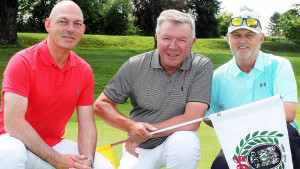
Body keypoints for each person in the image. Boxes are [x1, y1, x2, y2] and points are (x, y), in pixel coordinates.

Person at [93, 9, 213, 169]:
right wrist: (131, 127)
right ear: (157, 38)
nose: (173, 46)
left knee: (186, 143)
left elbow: (191, 120)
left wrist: (141, 133)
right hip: (140, 148)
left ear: (192, 42)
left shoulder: (201, 66)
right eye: (167, 38)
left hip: (173, 141)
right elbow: (101, 105)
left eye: (182, 40)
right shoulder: (135, 65)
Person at [0, 1, 114, 169]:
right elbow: (13, 123)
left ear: (82, 30)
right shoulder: (22, 62)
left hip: (52, 144)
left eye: (77, 24)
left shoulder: (84, 70)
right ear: (48, 25)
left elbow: (87, 125)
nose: (70, 29)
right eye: (63, 21)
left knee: (103, 166)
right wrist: (57, 160)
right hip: (11, 139)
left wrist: (87, 161)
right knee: (12, 153)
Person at [204, 11, 300, 169]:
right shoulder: (217, 77)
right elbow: (208, 116)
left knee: (288, 135)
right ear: (228, 39)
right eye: (236, 35)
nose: (242, 41)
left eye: (249, 35)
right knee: (219, 165)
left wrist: (237, 123)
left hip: (279, 136)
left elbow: (288, 113)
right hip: (239, 140)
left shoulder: (279, 65)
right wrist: (231, 128)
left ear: (261, 39)